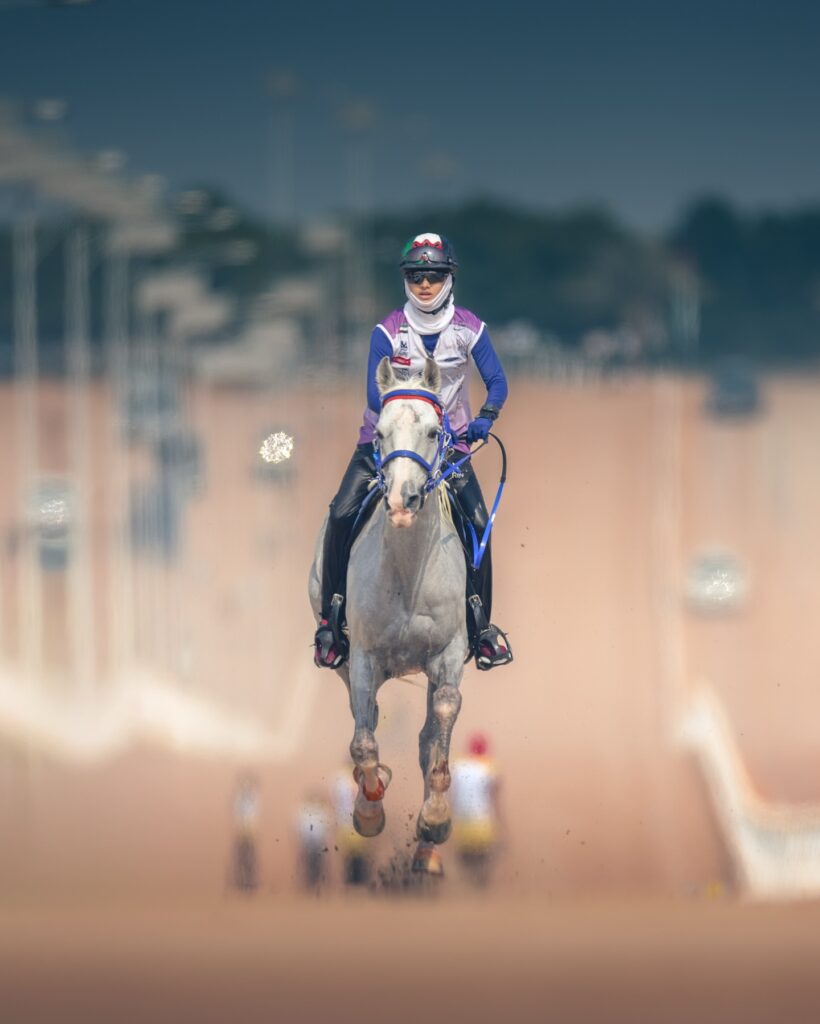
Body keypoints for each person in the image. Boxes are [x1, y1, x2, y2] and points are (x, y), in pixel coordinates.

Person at [314, 232, 513, 672]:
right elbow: (374, 394)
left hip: (447, 449)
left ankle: (480, 627)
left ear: (449, 277)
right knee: (341, 514)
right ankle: (331, 622)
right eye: (416, 276)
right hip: (384, 445)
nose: (425, 285)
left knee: (480, 525)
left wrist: (486, 416)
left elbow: (497, 381)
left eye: (434, 276)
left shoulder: (469, 329)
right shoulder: (387, 332)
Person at [451, 731, 503, 887]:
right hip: (483, 828)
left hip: (461, 827)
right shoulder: (490, 768)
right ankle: (479, 891)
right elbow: (494, 801)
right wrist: (502, 826)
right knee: (483, 869)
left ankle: (467, 891)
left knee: (466, 867)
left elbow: (452, 797)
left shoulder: (457, 766)